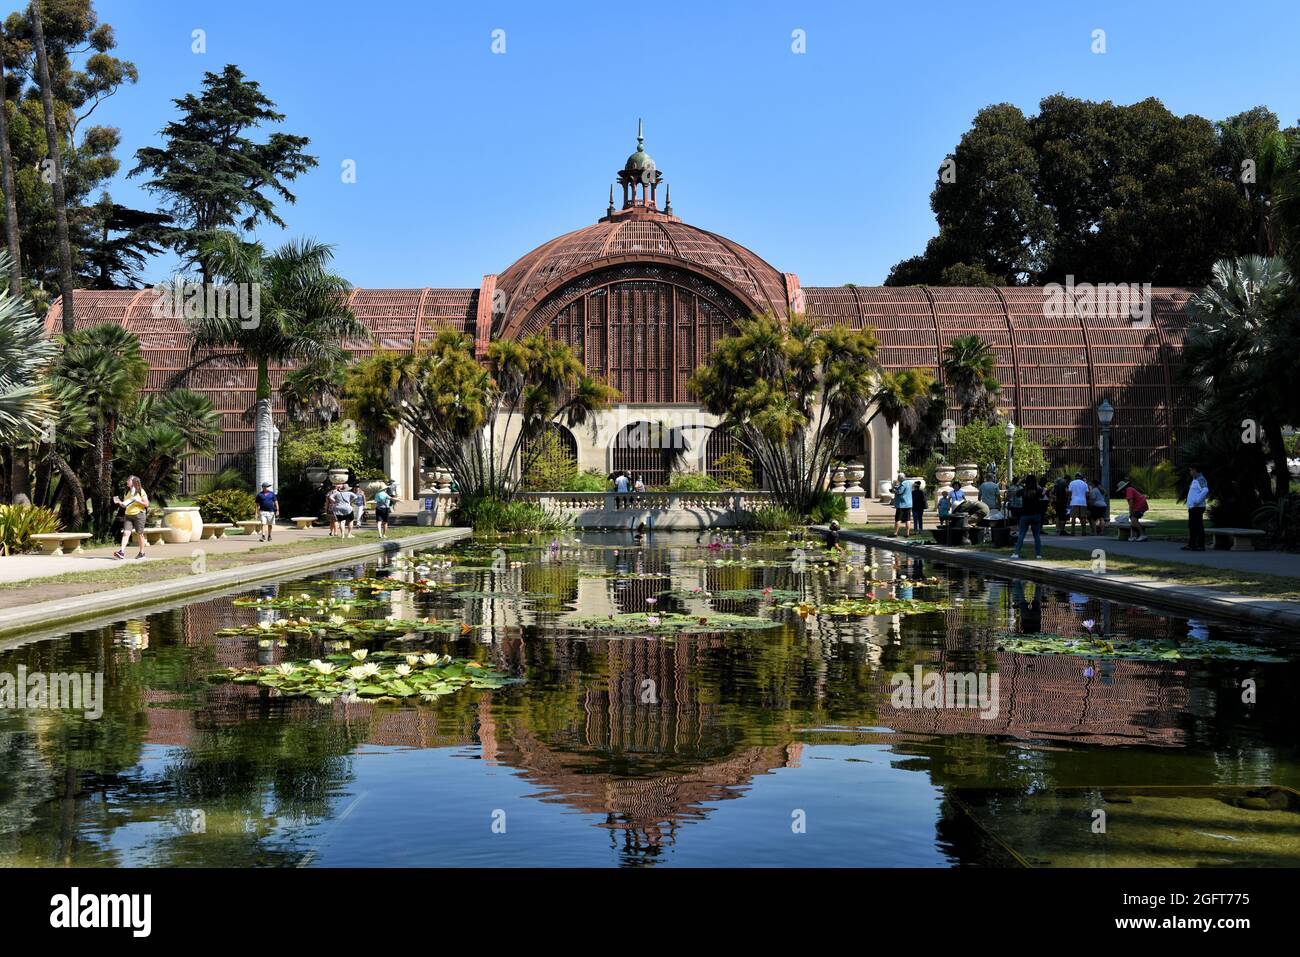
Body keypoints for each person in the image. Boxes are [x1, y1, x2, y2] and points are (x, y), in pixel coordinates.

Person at [112, 475, 149, 560]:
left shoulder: (141, 491)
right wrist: (119, 502)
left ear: (134, 482)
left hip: (139, 515)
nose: (127, 481)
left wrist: (138, 500)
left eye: (129, 480)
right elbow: (125, 505)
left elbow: (146, 504)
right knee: (126, 533)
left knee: (140, 534)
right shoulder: (127, 492)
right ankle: (121, 552)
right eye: (128, 480)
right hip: (128, 515)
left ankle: (142, 553)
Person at [1011, 474, 1045, 559]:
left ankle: (1016, 553)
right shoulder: (1038, 490)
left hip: (1025, 514)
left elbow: (1015, 493)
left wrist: (1019, 485)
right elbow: (1043, 495)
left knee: (1021, 534)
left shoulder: (1023, 490)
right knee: (1036, 535)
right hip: (1036, 514)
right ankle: (1038, 554)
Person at [1184, 465, 1209, 551]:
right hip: (1193, 507)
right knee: (1192, 526)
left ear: (1195, 470)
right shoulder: (1195, 479)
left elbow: (1205, 490)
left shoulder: (1200, 479)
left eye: (1191, 470)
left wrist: (1197, 501)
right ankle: (1192, 544)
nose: (1190, 472)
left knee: (1198, 526)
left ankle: (1201, 545)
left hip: (1197, 507)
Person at [890, 472, 913, 537]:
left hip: (902, 504)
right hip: (908, 504)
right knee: (907, 519)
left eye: (898, 478)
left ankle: (895, 533)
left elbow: (899, 492)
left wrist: (893, 490)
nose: (898, 479)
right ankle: (907, 533)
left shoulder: (903, 484)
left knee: (898, 519)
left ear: (901, 478)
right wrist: (897, 487)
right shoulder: (909, 483)